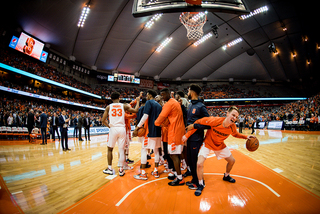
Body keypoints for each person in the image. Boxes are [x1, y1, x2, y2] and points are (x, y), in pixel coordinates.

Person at [183, 106, 256, 196]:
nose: (234, 118)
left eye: (236, 117)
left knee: (232, 161)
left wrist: (246, 137)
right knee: (199, 164)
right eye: (233, 115)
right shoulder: (215, 121)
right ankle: (201, 184)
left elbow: (235, 134)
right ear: (227, 114)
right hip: (208, 143)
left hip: (219, 145)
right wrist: (187, 135)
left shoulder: (232, 127)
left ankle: (226, 175)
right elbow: (198, 122)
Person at [101, 92, 140, 177]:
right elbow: (136, 110)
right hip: (122, 129)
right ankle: (121, 170)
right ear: (119, 97)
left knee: (110, 149)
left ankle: (110, 168)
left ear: (111, 99)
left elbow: (103, 120)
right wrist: (138, 101)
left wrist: (109, 127)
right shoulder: (124, 106)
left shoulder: (108, 107)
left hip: (113, 128)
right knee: (121, 150)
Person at [155, 88, 186, 186]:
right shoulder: (174, 102)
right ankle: (178, 174)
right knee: (176, 154)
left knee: (173, 155)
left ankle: (180, 178)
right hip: (178, 130)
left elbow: (160, 118)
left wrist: (156, 123)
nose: (162, 96)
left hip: (174, 131)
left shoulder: (169, 104)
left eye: (163, 95)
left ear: (168, 94)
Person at [184, 84, 210, 190]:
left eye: (188, 91)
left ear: (193, 92)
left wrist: (195, 126)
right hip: (189, 138)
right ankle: (194, 179)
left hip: (196, 138)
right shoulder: (190, 105)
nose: (187, 92)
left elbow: (208, 123)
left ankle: (200, 182)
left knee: (195, 161)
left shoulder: (201, 106)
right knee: (190, 160)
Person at [133, 90, 162, 180]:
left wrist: (137, 127)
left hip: (149, 132)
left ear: (149, 95)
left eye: (147, 94)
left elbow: (145, 116)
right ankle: (156, 171)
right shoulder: (159, 105)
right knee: (156, 150)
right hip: (158, 131)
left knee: (144, 150)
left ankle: (142, 173)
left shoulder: (149, 102)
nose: (147, 96)